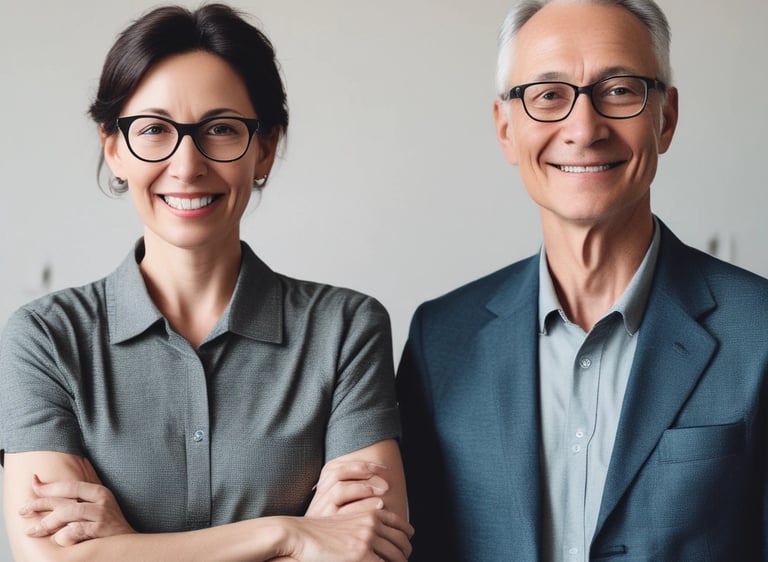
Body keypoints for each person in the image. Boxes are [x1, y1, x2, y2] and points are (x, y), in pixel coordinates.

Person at [0, 4, 413, 561]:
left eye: (220, 129)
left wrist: (123, 548)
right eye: (153, 130)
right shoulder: (45, 339)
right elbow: (50, 558)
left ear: (265, 147)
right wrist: (284, 533)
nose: (187, 164)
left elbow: (367, 550)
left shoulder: (345, 329)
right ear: (114, 147)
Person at [396, 0, 768, 560]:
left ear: (664, 119)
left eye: (619, 90)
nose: (584, 128)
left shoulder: (760, 330)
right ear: (505, 128)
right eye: (548, 96)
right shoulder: (440, 338)